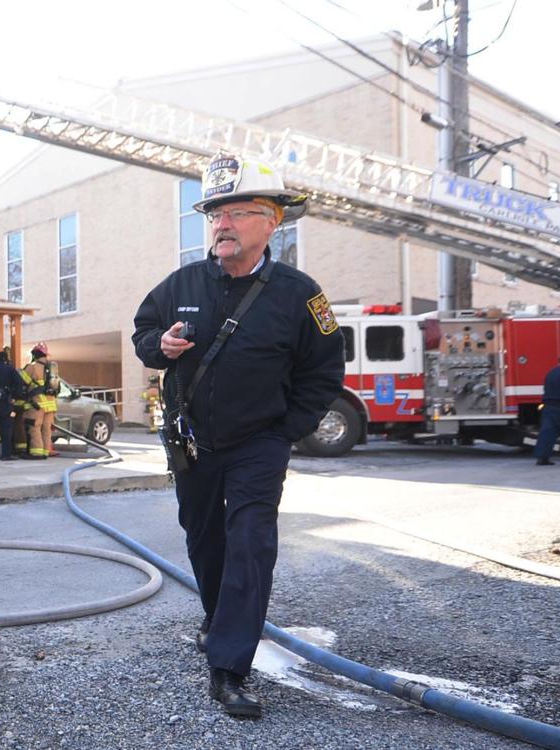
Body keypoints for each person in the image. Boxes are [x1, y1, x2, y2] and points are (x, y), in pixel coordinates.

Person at [132, 153, 344, 719]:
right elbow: (143, 329)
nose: (221, 224)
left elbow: (323, 372)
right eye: (215, 215)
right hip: (193, 439)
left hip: (258, 443)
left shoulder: (302, 295)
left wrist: (286, 430)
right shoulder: (181, 283)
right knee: (204, 538)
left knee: (250, 540)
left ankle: (228, 665)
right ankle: (217, 617)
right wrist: (159, 348)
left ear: (271, 221)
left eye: (236, 212)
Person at [21, 342, 58, 459]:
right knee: (46, 429)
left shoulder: (32, 367)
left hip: (37, 404)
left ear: (35, 354)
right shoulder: (52, 369)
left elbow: (22, 382)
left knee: (34, 428)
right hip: (51, 405)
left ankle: (36, 453)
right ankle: (46, 451)